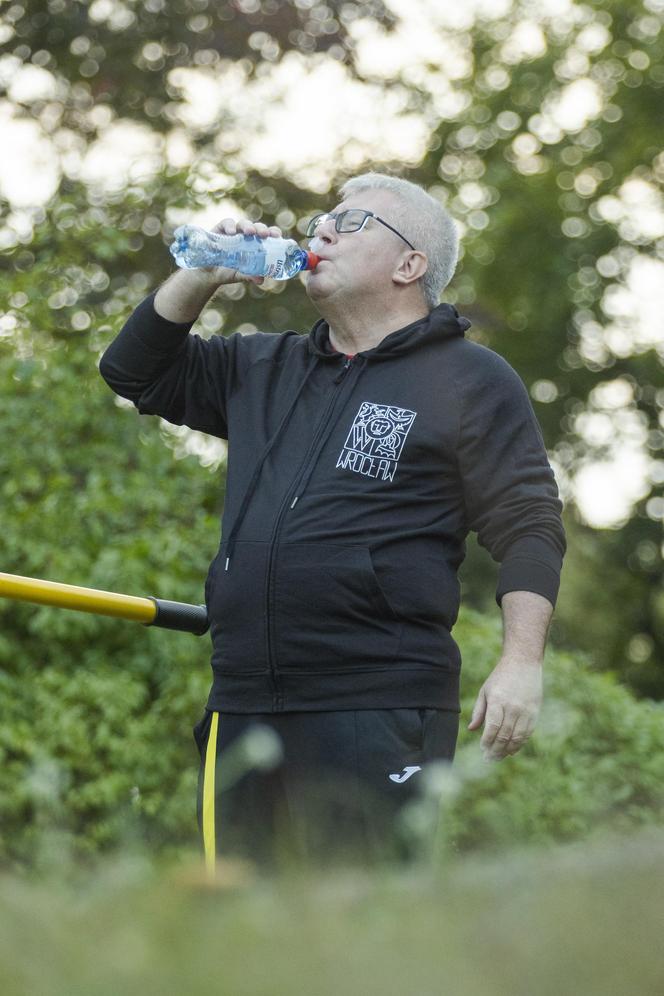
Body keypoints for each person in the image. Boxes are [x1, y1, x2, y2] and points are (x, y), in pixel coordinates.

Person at [99, 172, 566, 871]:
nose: (322, 230)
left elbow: (529, 522)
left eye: (352, 224)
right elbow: (133, 371)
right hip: (243, 702)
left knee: (367, 946)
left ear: (410, 265)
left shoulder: (471, 379)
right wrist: (201, 275)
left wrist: (522, 661)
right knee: (245, 948)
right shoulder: (263, 364)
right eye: (324, 219)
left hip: (378, 706)